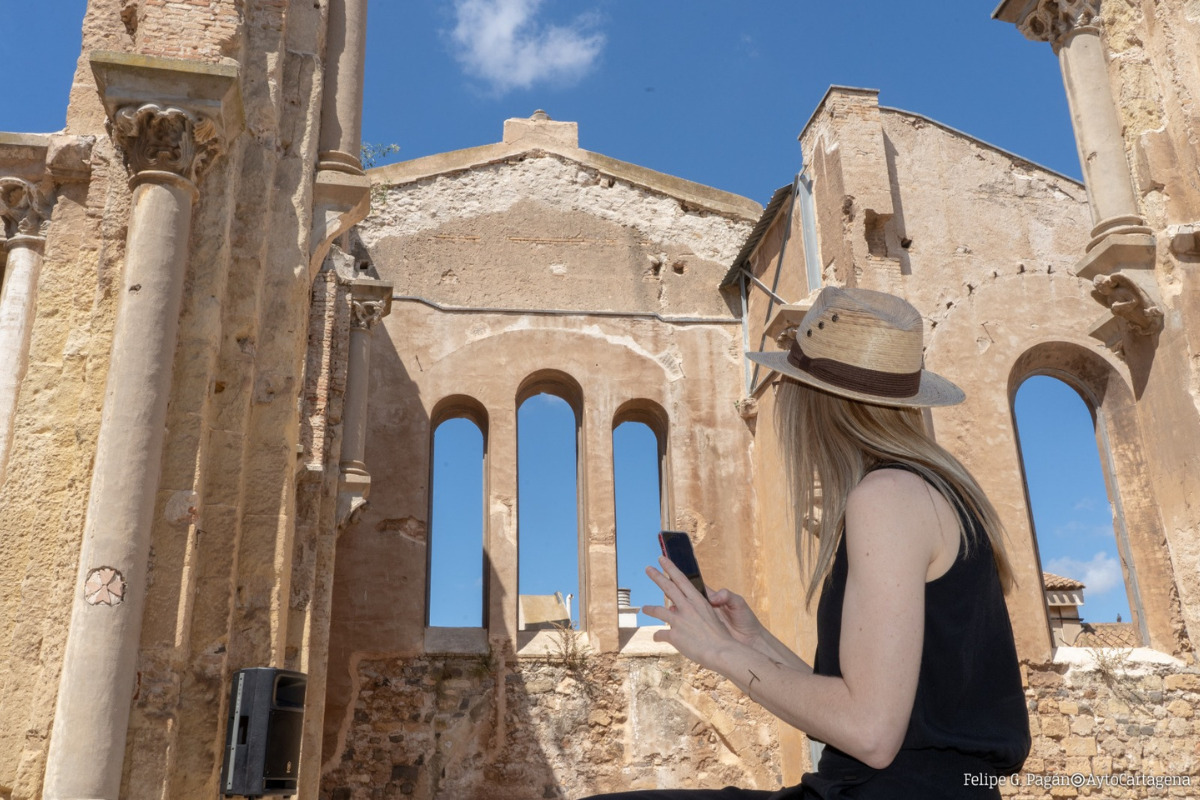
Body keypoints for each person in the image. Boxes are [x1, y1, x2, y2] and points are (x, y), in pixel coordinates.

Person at [582, 287, 1029, 799]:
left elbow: (870, 733)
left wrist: (721, 651)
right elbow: (864, 709)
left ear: (811, 401)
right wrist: (756, 643)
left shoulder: (886, 497)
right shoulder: (928, 492)